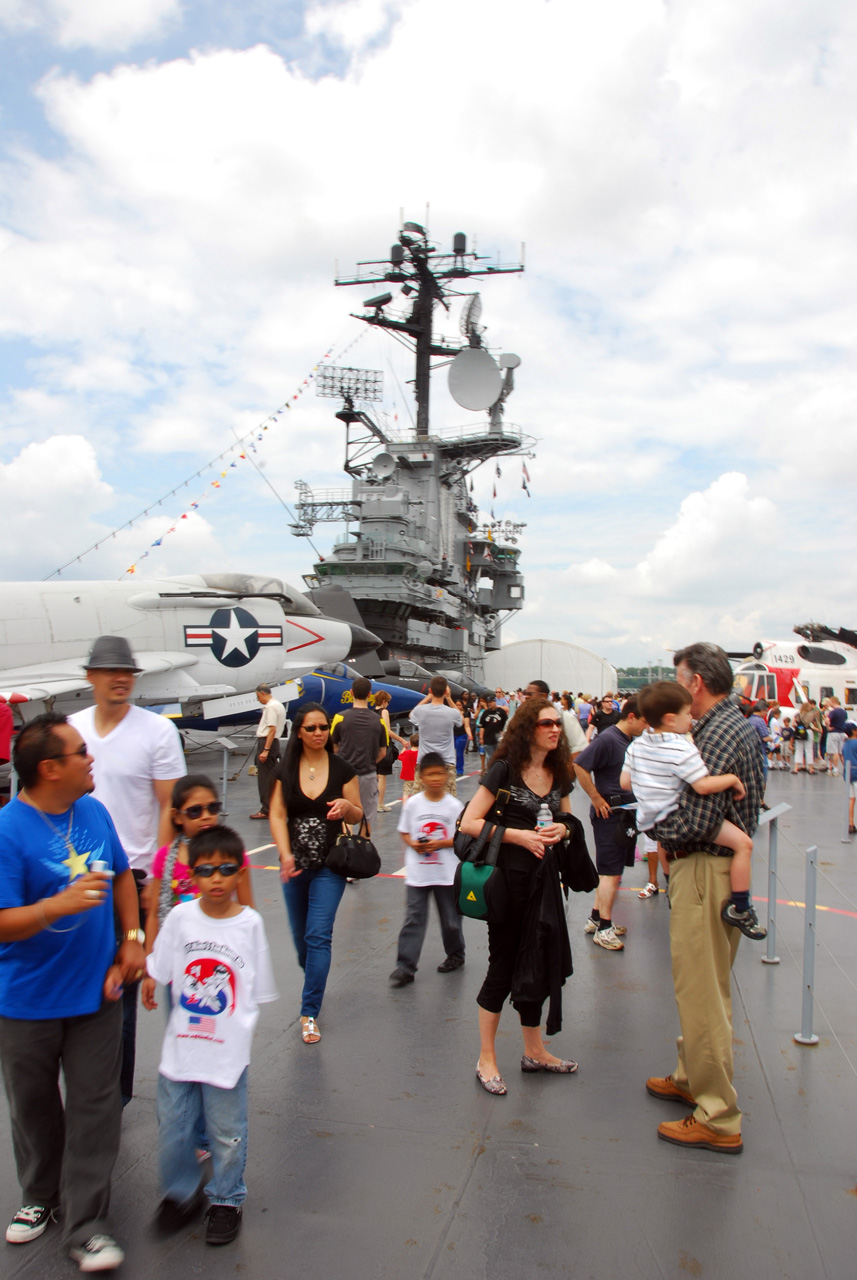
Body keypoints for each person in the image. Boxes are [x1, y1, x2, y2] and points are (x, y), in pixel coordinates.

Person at [0, 712, 145, 1272]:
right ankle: (40, 1196)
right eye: (81, 752)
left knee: (94, 1107)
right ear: (49, 768)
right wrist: (56, 906)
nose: (92, 759)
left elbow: (124, 877)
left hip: (95, 996)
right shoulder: (9, 831)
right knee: (34, 1110)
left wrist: (131, 940)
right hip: (26, 1003)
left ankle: (86, 1224)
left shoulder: (94, 810)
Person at [646, 642, 764, 1155]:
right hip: (720, 869)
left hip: (703, 870)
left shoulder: (711, 732)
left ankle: (716, 1115)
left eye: (679, 679)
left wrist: (654, 828)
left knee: (700, 991)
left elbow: (697, 815)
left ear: (695, 683)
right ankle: (691, 1076)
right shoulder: (736, 723)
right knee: (707, 982)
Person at [144, 826, 278, 1246]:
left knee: (226, 1130)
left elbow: (255, 992)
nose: (217, 878)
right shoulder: (181, 918)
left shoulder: (250, 925)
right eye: (206, 870)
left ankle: (226, 1197)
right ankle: (181, 1194)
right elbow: (162, 970)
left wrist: (240, 1034)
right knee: (175, 1128)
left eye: (226, 869)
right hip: (180, 1050)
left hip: (225, 1054)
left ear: (240, 872)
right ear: (193, 874)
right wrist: (146, 977)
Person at [69, 633, 186, 1107]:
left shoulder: (156, 731)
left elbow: (168, 807)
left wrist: (156, 878)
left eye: (128, 672)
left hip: (133, 878)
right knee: (79, 978)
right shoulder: (72, 731)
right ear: (90, 677)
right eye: (111, 671)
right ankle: (82, 1085)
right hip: (76, 878)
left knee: (122, 985)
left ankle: (111, 1097)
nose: (121, 679)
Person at [458, 697, 577, 1095]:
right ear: (528, 728)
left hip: (545, 884)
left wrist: (563, 831)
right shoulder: (503, 770)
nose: (554, 729)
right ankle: (486, 1058)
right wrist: (517, 835)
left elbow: (566, 819)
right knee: (503, 967)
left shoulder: (559, 772)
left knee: (540, 965)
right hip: (508, 883)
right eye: (546, 723)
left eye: (557, 724)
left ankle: (534, 1050)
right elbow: (469, 822)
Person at [621, 682, 764, 940]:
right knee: (743, 844)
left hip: (650, 820)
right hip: (678, 816)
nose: (692, 718)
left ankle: (671, 889)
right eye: (688, 714)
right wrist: (732, 779)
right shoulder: (682, 749)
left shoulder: (636, 746)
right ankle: (741, 906)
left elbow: (625, 783)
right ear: (670, 718)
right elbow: (702, 785)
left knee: (663, 844)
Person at [269, 703, 363, 1043]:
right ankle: (315, 979)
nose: (319, 733)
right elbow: (278, 814)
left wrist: (348, 807)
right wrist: (284, 855)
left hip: (329, 866)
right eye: (311, 728)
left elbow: (357, 816)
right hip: (295, 865)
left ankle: (309, 1011)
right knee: (301, 943)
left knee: (318, 935)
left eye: (323, 727)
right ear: (299, 732)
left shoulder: (342, 769)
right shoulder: (286, 768)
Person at [573, 696, 646, 951]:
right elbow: (580, 765)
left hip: (625, 813)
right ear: (632, 717)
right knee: (610, 873)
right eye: (644, 721)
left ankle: (596, 918)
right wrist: (595, 798)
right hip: (610, 815)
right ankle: (603, 928)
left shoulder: (628, 741)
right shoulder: (608, 739)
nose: (646, 727)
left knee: (613, 872)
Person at [388, 753, 466, 987]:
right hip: (418, 874)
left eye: (439, 774)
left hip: (447, 874)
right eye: (430, 774)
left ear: (446, 775)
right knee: (414, 919)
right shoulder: (414, 803)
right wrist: (412, 843)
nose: (435, 779)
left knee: (451, 919)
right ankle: (406, 966)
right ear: (421, 777)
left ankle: (456, 954)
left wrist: (440, 843)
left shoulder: (453, 806)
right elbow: (404, 830)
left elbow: (461, 837)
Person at [330, 677, 386, 832]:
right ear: (370, 694)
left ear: (351, 693)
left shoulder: (340, 717)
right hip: (367, 774)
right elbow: (382, 752)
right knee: (365, 820)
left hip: (344, 776)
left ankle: (345, 847)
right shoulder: (378, 720)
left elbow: (333, 747)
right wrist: (370, 762)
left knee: (344, 814)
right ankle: (362, 851)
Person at [409, 676, 463, 796]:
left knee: (420, 802)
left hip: (424, 763)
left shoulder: (421, 711)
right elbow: (460, 720)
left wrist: (428, 697)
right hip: (446, 763)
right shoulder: (452, 713)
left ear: (430, 690)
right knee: (448, 804)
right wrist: (449, 699)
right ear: (445, 691)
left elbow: (411, 714)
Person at [248, 684, 286, 820]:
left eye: (258, 696)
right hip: (274, 743)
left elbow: (272, 729)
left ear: (263, 693)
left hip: (267, 742)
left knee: (265, 779)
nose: (258, 700)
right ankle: (275, 805)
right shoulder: (279, 705)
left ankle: (266, 809)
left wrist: (265, 750)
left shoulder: (270, 707)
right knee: (273, 777)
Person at [373, 689, 406, 812]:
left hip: (373, 745)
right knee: (382, 776)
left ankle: (373, 802)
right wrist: (401, 740)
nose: (387, 704)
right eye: (387, 702)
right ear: (383, 702)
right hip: (383, 745)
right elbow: (387, 730)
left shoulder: (372, 712)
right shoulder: (384, 711)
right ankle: (380, 803)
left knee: (375, 775)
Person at [479, 695, 508, 775]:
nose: (489, 704)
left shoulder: (501, 712)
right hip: (488, 738)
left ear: (494, 701)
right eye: (488, 703)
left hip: (498, 737)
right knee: (490, 756)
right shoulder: (485, 713)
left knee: (499, 755)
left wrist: (504, 732)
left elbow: (506, 722)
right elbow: (482, 726)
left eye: (491, 702)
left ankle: (499, 771)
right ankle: (491, 772)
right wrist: (481, 738)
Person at [558, 693, 587, 760]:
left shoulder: (571, 713)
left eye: (562, 699)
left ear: (566, 701)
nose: (560, 701)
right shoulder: (559, 710)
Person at [824, 697, 848, 776]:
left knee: (835, 752)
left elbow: (827, 720)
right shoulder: (844, 712)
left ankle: (835, 769)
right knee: (841, 752)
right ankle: (846, 768)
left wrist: (828, 727)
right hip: (841, 732)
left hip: (833, 732)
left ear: (833, 701)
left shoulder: (833, 712)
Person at [842, 727, 857, 833]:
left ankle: (851, 823)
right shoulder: (856, 743)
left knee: (852, 799)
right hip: (856, 772)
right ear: (854, 731)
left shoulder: (846, 744)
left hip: (848, 774)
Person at [453, 699, 473, 776]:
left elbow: (467, 726)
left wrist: (470, 734)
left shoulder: (466, 714)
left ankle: (459, 769)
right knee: (451, 753)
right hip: (453, 735)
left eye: (459, 705)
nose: (458, 707)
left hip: (461, 735)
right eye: (456, 705)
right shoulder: (452, 714)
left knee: (459, 753)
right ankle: (452, 768)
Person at [398, 733, 420, 801]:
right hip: (417, 776)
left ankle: (405, 806)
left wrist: (404, 747)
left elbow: (400, 756)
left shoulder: (406, 753)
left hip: (408, 777)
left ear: (410, 743)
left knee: (406, 792)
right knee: (417, 793)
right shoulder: (420, 754)